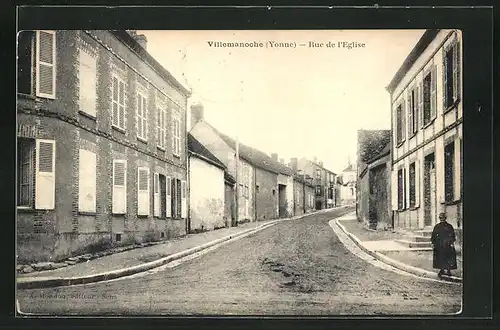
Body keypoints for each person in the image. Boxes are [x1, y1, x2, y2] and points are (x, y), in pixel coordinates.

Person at [431, 212, 458, 277]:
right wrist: (433, 243)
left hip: (444, 244)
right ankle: (443, 270)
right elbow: (434, 236)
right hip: (443, 244)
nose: (442, 219)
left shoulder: (445, 226)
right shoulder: (446, 226)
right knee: (443, 257)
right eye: (441, 218)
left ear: (444, 218)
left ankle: (446, 270)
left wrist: (433, 243)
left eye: (442, 218)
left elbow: (452, 236)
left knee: (445, 257)